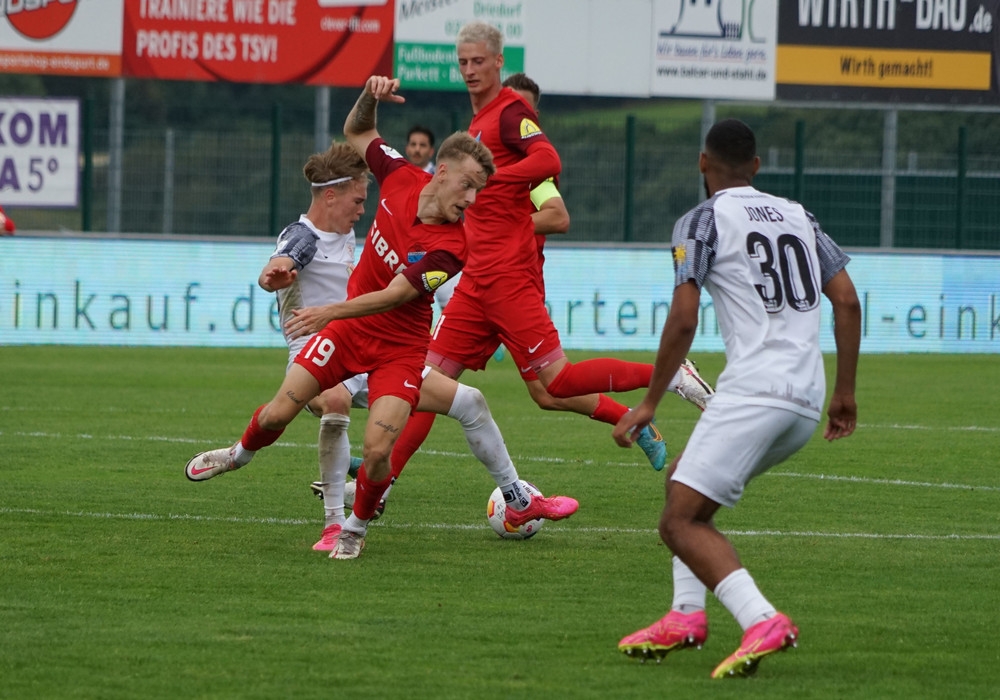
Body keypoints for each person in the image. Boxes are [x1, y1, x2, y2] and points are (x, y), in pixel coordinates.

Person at [185, 75, 578, 560]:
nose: (472, 200)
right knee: (276, 413)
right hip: (349, 335)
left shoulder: (454, 245)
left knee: (376, 451)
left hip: (398, 351)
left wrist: (328, 311)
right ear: (442, 171)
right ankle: (238, 455)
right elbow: (358, 132)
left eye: (480, 191)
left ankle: (351, 528)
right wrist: (370, 96)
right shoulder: (397, 176)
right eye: (469, 186)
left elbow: (394, 296)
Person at [370, 21, 714, 506]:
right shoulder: (475, 126)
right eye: (463, 62)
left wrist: (498, 178)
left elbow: (549, 162)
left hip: (508, 279)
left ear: (497, 64)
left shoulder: (508, 113)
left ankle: (673, 372)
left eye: (478, 62)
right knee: (425, 383)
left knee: (558, 383)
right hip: (476, 284)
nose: (469, 70)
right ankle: (378, 486)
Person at [613, 119, 861, 678]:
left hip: (754, 389)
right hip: (806, 396)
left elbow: (682, 319)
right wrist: (843, 393)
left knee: (679, 523)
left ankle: (761, 618)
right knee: (685, 477)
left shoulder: (701, 219)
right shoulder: (799, 214)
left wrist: (650, 401)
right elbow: (846, 300)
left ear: (703, 164)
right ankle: (684, 616)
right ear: (756, 166)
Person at [253, 140, 371, 552]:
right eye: (357, 201)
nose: (361, 210)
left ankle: (365, 475)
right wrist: (274, 275)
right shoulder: (303, 236)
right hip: (314, 357)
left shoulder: (349, 231)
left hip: (362, 352)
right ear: (331, 195)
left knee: (440, 394)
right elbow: (280, 263)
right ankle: (335, 525)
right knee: (334, 401)